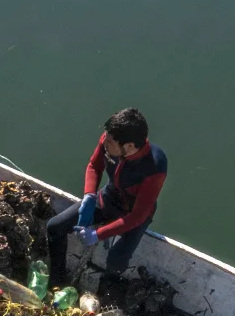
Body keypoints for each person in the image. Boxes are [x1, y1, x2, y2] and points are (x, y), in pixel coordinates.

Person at [48, 107, 165, 281]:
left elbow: (137, 216)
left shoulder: (154, 166)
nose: (104, 143)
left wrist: (97, 235)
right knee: (55, 227)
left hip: (133, 215)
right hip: (108, 199)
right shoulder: (108, 140)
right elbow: (94, 166)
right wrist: (89, 195)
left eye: (110, 142)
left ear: (129, 146)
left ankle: (106, 294)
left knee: (116, 261)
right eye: (106, 138)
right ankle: (57, 280)